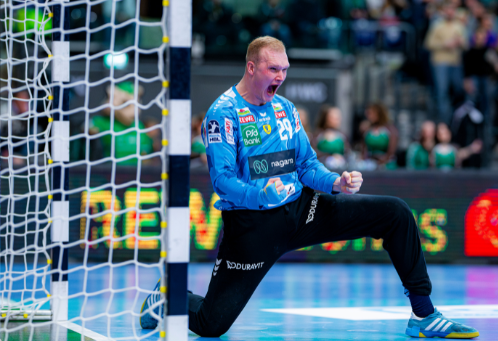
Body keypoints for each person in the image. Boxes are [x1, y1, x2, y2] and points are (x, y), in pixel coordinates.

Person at [142, 36, 477, 339]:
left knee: (395, 213)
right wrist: (261, 195)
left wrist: (336, 181)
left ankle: (424, 314)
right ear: (251, 67)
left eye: (284, 70)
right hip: (252, 227)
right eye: (273, 69)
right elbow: (223, 181)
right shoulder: (223, 114)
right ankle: (167, 295)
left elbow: (306, 166)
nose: (280, 77)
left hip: (304, 209)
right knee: (211, 326)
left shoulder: (286, 110)